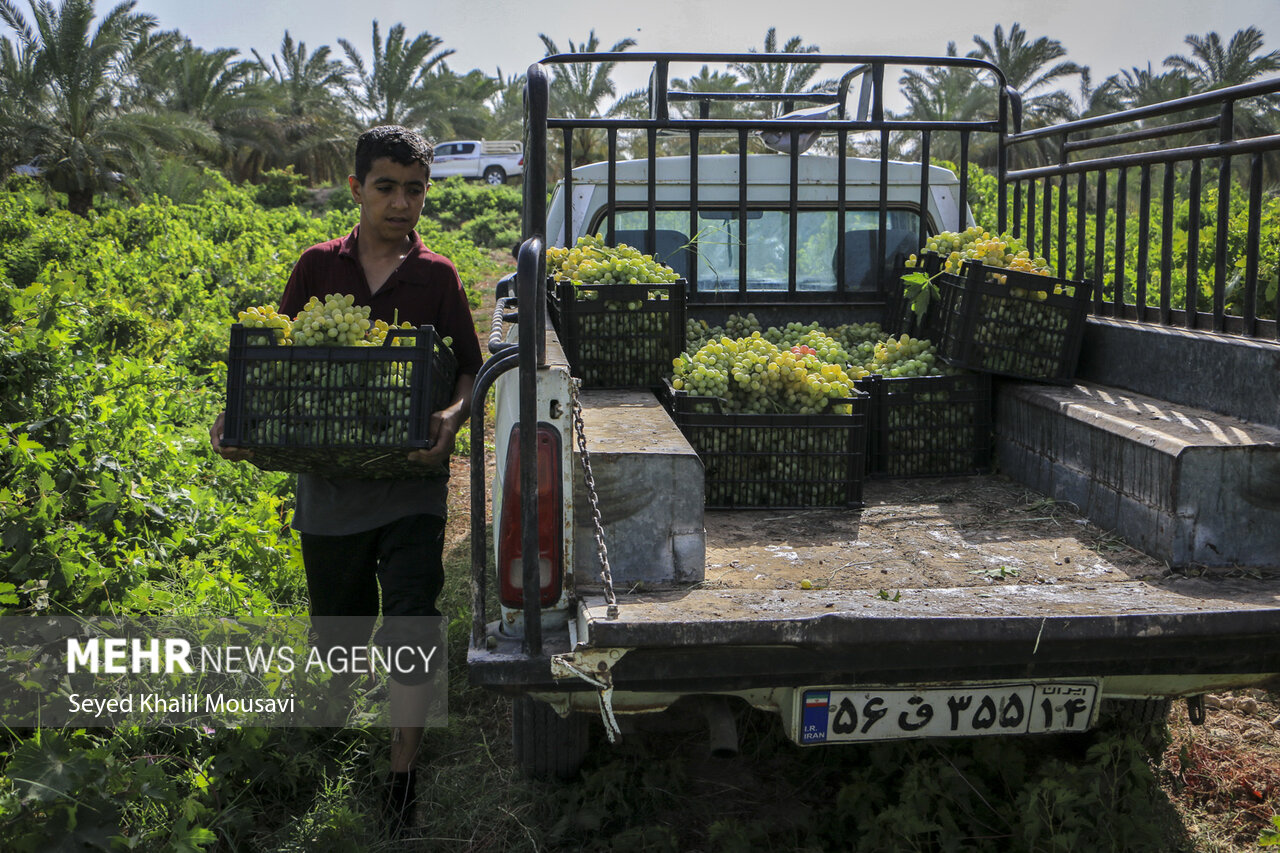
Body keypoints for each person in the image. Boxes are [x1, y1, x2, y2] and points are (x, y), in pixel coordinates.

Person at [209, 125, 483, 838]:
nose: (401, 203)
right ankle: (335, 718)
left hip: (410, 485)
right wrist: (237, 419)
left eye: (415, 189)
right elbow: (279, 359)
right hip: (330, 489)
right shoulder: (317, 267)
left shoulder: (440, 276)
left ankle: (403, 769)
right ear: (357, 187)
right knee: (340, 628)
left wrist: (450, 420)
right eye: (387, 187)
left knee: (413, 615)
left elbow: (468, 368)